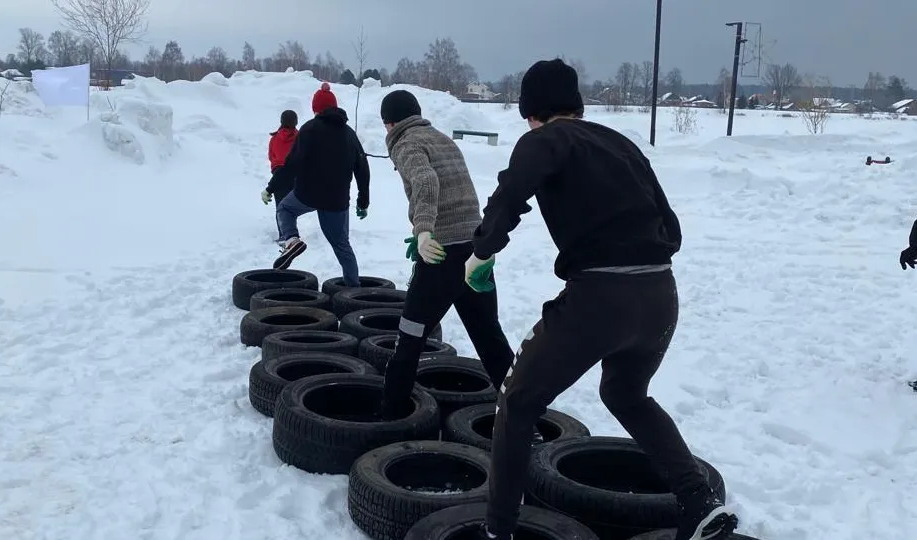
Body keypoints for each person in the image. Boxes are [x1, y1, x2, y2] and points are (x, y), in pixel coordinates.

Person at [463, 59, 738, 540]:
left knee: (518, 400)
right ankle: (697, 500)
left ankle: (497, 531)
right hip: (660, 296)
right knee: (626, 394)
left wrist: (481, 250)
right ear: (578, 103)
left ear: (532, 110)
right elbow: (670, 226)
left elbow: (511, 194)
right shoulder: (621, 143)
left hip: (599, 300)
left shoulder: (544, 140)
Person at [375, 89, 518, 423]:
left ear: (389, 123)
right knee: (489, 337)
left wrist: (424, 231)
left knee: (409, 337)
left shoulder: (405, 143)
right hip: (476, 253)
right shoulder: (440, 138)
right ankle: (523, 417)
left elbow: (426, 181)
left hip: (441, 256)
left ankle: (389, 418)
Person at [264, 82, 370, 284]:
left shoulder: (309, 129)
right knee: (342, 246)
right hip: (336, 200)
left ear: (315, 109)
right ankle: (355, 293)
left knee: (285, 209)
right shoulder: (349, 134)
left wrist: (271, 187)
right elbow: (362, 168)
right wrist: (363, 201)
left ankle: (292, 240)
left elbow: (291, 164)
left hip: (307, 194)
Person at [261, 109, 299, 239]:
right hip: (295, 175)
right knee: (292, 206)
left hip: (278, 176)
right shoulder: (300, 137)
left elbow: (271, 156)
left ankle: (284, 236)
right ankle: (292, 234)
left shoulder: (275, 139)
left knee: (281, 206)